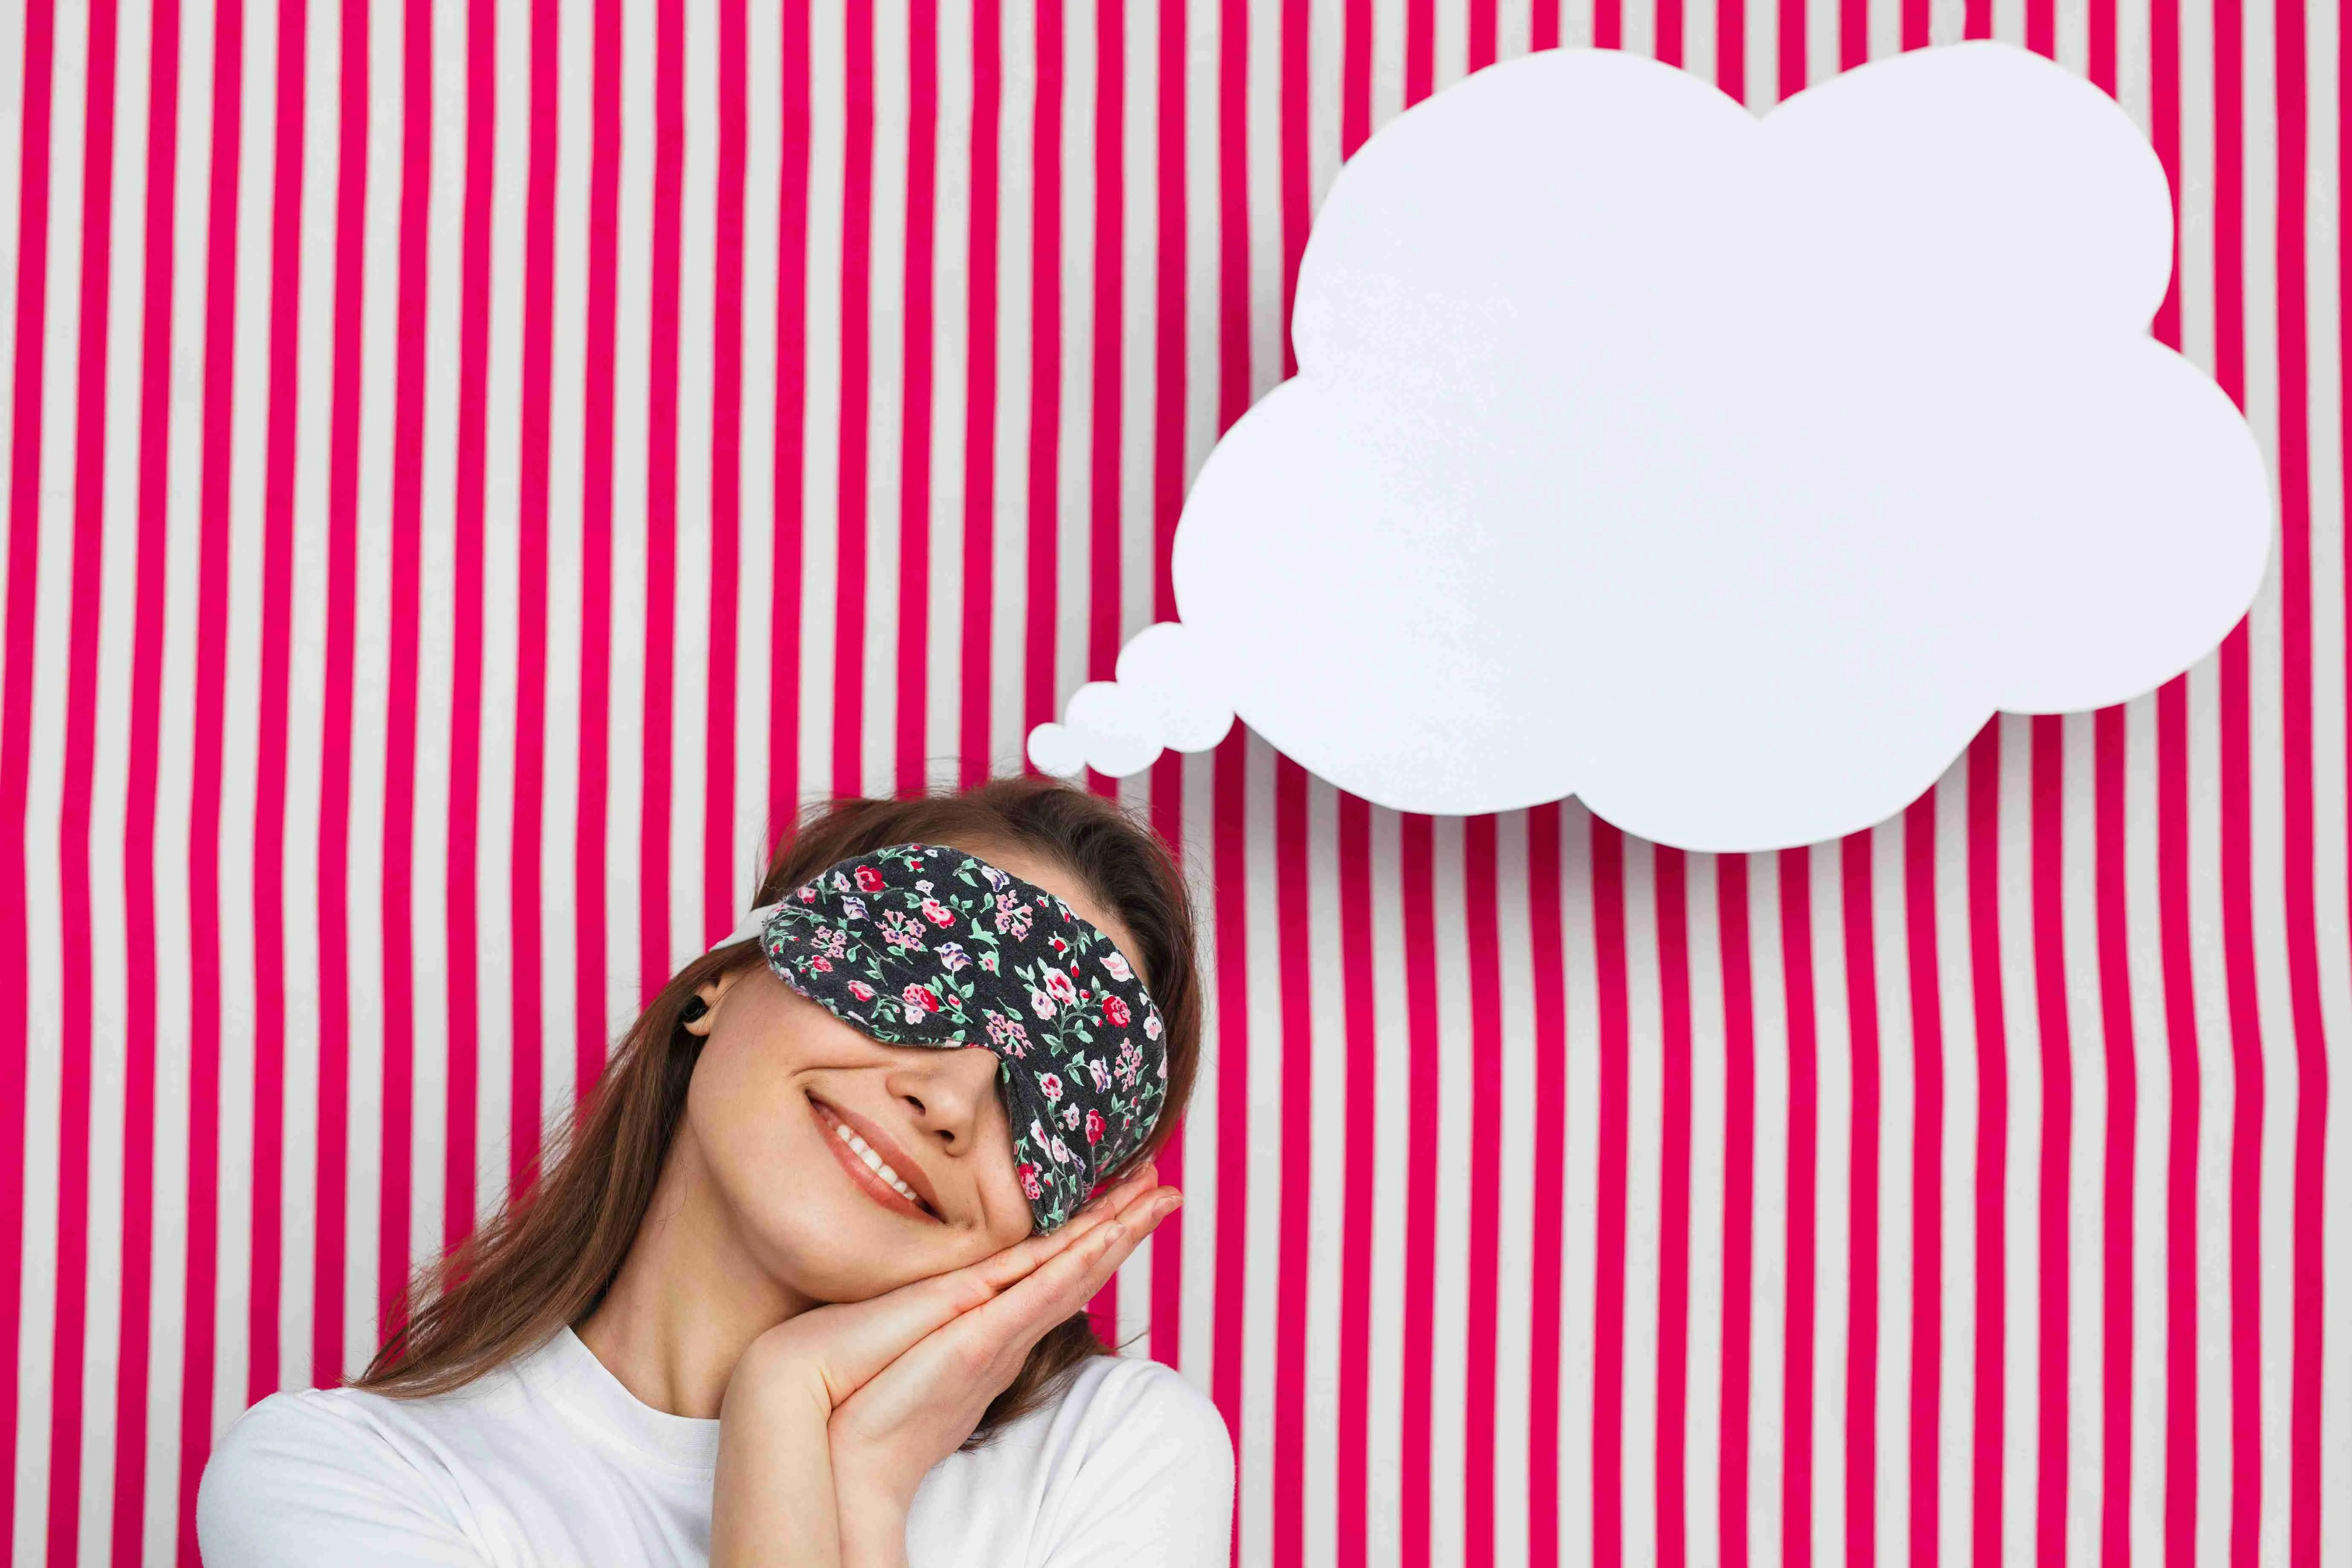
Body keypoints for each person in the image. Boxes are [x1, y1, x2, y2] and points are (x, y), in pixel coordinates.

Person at [196, 775, 1231, 1566]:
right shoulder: (347, 1477)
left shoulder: (1110, 1455)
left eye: (1052, 1094)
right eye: (922, 973)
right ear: (724, 982)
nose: (952, 1100)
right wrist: (784, 1421)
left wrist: (836, 1465)